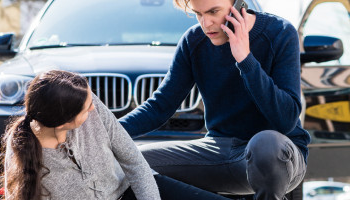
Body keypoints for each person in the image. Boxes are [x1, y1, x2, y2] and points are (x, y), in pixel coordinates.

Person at [118, 0, 311, 199]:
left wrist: (245, 59)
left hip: (277, 155)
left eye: (213, 12)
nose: (206, 23)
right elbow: (159, 107)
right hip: (219, 150)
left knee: (264, 144)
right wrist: (104, 133)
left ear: (238, 5)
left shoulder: (280, 32)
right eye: (198, 14)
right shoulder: (193, 41)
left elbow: (285, 120)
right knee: (125, 164)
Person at [0, 70, 160, 200]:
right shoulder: (22, 153)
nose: (93, 108)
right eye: (87, 108)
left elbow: (134, 162)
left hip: (129, 189)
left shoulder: (85, 98)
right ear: (64, 124)